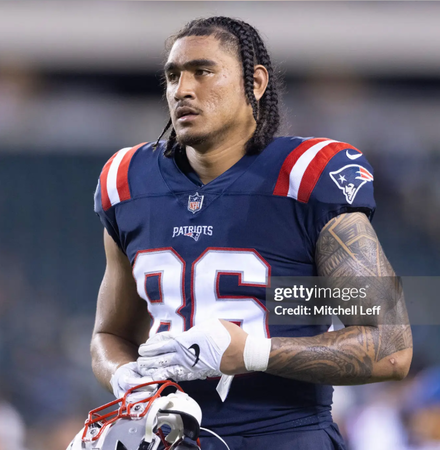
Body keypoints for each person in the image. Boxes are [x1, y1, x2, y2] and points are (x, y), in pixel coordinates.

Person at [91, 16, 413, 450]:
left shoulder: (305, 177)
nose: (182, 89)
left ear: (255, 82)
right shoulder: (128, 181)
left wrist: (251, 352)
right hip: (175, 439)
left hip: (284, 437)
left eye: (203, 72)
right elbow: (110, 335)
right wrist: (124, 378)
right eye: (173, 75)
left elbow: (391, 348)